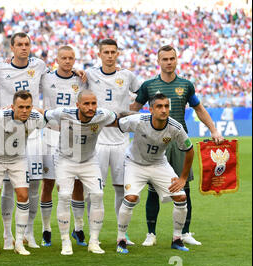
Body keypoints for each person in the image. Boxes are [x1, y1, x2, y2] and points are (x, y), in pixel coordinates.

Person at [130, 45, 224, 246]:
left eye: (172, 58)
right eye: (165, 59)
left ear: (176, 59)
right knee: (153, 189)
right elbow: (133, 110)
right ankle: (151, 234)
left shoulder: (186, 85)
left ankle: (185, 232)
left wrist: (213, 130)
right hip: (154, 143)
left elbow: (199, 109)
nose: (169, 62)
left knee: (184, 187)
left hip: (179, 143)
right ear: (159, 61)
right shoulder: (148, 86)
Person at [0, 32, 49, 250]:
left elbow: (56, 80)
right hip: (5, 131)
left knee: (32, 187)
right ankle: (5, 234)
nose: (24, 48)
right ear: (11, 47)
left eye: (27, 44)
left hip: (30, 133)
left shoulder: (39, 65)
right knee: (6, 190)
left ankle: (28, 234)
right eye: (19, 44)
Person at [44, 89, 123, 255]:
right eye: (86, 103)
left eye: (93, 103)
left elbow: (120, 116)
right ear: (77, 104)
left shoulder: (103, 115)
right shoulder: (64, 113)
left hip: (89, 160)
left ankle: (94, 241)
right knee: (65, 195)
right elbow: (43, 114)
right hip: (65, 159)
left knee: (98, 195)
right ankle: (66, 241)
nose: (90, 107)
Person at [116, 93, 194, 254]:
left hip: (159, 164)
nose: (164, 110)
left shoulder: (175, 127)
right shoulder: (138, 121)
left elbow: (189, 150)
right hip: (135, 164)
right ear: (151, 109)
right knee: (130, 198)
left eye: (166, 106)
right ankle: (121, 239)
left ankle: (177, 239)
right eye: (159, 106)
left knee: (181, 196)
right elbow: (117, 123)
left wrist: (183, 178)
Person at [86, 39, 142, 246]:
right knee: (95, 191)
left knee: (121, 189)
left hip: (120, 141)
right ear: (99, 54)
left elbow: (143, 93)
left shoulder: (126, 76)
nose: (110, 55)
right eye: (106, 52)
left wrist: (131, 112)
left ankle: (122, 234)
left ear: (118, 54)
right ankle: (94, 234)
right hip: (97, 141)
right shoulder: (90, 74)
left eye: (113, 52)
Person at [0, 90, 45, 256]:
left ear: (32, 107)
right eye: (20, 107)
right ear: (12, 107)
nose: (24, 111)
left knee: (23, 196)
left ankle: (19, 242)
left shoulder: (36, 118)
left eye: (28, 107)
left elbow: (49, 119)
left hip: (18, 159)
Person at [40, 45, 87, 247]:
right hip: (51, 134)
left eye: (71, 58)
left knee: (77, 183)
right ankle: (46, 229)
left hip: (73, 136)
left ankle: (78, 228)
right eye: (64, 58)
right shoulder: (46, 77)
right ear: (57, 59)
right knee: (49, 183)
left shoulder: (82, 80)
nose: (67, 61)